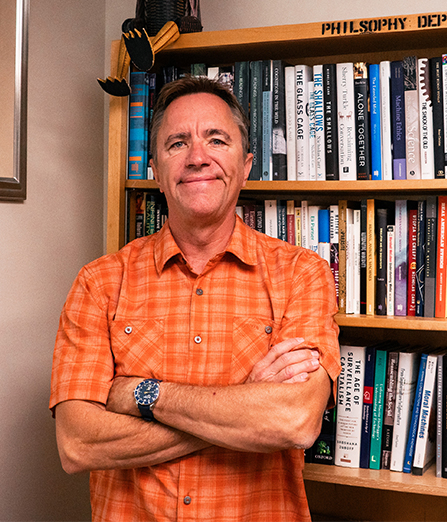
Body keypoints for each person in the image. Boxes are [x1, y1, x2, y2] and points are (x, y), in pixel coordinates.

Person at [50, 75, 341, 522]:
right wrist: (244, 404)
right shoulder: (99, 283)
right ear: (156, 170)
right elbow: (78, 443)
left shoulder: (302, 274)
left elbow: (295, 421)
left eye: (216, 140)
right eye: (177, 143)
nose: (198, 158)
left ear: (245, 167)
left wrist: (142, 394)